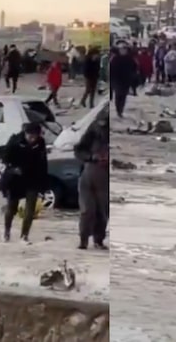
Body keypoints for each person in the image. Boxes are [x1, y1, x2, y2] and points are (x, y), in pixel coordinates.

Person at [0, 122, 48, 243]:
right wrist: (13, 168)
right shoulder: (15, 141)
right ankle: (6, 232)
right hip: (16, 178)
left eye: (35, 136)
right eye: (30, 136)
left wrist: (43, 183)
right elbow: (5, 157)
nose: (32, 139)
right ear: (25, 133)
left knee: (30, 210)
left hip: (33, 178)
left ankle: (24, 235)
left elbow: (43, 163)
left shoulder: (40, 143)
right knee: (12, 208)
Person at [75, 107, 109, 250]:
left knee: (103, 211)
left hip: (105, 178)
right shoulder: (92, 132)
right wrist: (91, 157)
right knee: (87, 210)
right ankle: (83, 240)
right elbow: (78, 150)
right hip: (89, 175)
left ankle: (98, 240)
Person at [109, 41, 137, 118]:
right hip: (117, 80)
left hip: (126, 80)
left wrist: (133, 76)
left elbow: (134, 67)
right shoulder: (115, 59)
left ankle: (121, 110)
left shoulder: (129, 58)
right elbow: (111, 69)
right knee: (118, 95)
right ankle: (118, 110)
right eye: (122, 49)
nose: (123, 51)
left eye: (125, 49)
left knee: (124, 96)